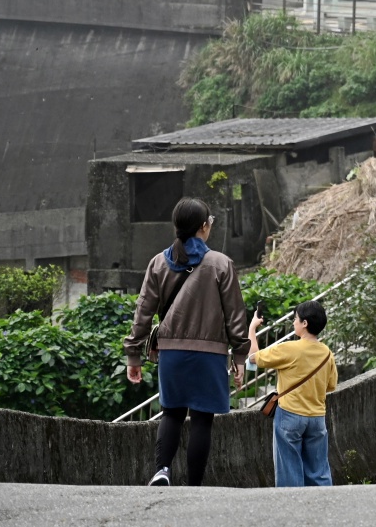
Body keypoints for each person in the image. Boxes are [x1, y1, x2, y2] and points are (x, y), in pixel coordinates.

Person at [124, 197, 250, 486]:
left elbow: (143, 311)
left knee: (172, 413)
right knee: (202, 419)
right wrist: (240, 357)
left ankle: (162, 470)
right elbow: (235, 315)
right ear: (204, 227)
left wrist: (134, 355)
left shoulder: (158, 262)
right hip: (210, 355)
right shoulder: (221, 264)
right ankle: (193, 486)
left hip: (171, 354)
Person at [248, 300, 338, 486]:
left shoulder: (289, 349)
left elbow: (253, 359)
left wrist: (252, 328)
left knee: (289, 470)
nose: (294, 322)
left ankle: (293, 508)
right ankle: (324, 506)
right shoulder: (327, 353)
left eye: (296, 319)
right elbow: (331, 385)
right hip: (317, 417)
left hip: (290, 415)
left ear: (305, 323)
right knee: (319, 470)